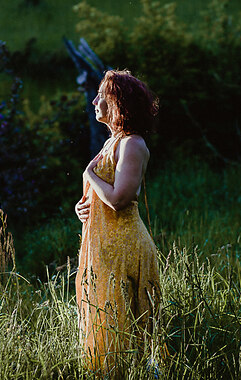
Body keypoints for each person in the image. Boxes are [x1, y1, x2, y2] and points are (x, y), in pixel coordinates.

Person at [74, 69, 163, 374]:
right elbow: (101, 196)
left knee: (129, 333)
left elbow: (118, 199)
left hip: (125, 248)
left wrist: (89, 174)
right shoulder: (112, 142)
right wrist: (82, 207)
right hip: (105, 249)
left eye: (103, 95)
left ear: (119, 103)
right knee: (106, 326)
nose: (95, 100)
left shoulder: (132, 144)